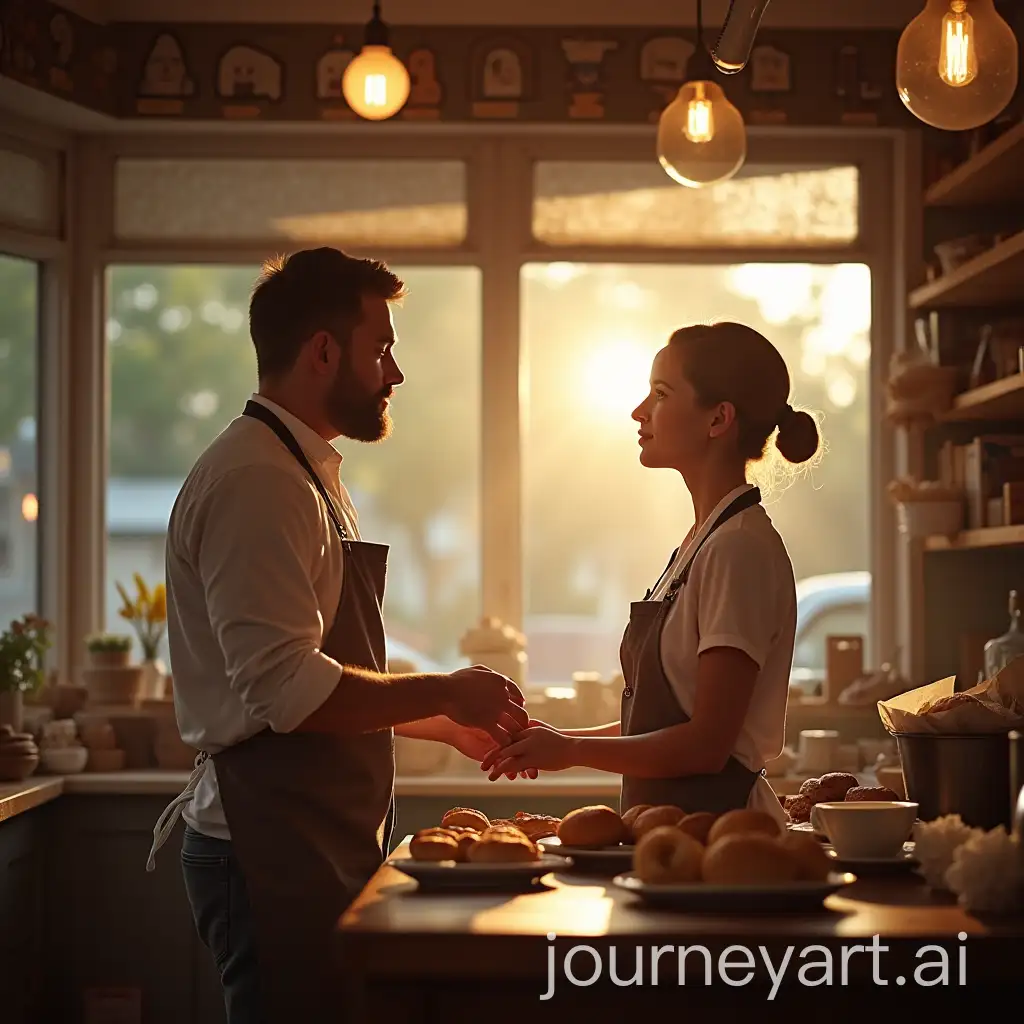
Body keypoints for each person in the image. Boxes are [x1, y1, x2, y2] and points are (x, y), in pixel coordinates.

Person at [144, 248, 530, 1024]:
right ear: (323, 350)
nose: (395, 373)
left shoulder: (305, 472)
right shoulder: (258, 482)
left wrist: (442, 723)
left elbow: (322, 675)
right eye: (381, 347)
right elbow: (285, 691)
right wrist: (448, 687)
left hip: (305, 834)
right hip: (262, 846)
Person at [482, 322, 822, 824]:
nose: (639, 411)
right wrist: (550, 739)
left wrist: (572, 751)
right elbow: (655, 723)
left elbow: (706, 746)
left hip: (722, 831)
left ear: (718, 419)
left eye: (660, 394)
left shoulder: (739, 550)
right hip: (672, 828)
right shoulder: (701, 543)